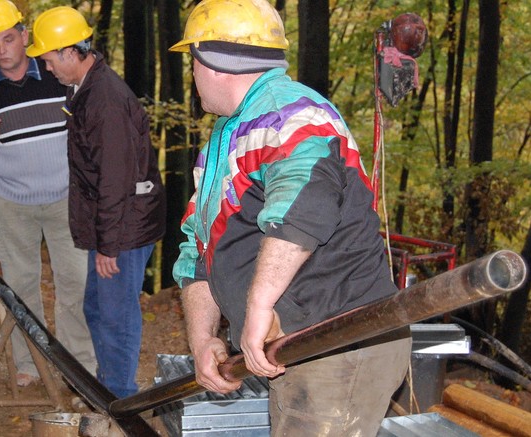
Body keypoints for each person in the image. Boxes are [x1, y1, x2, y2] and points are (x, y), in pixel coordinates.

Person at [169, 0, 411, 435]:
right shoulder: (226, 139)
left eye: (193, 60)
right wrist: (203, 338)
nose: (191, 73)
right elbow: (197, 249)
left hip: (339, 341)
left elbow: (302, 208)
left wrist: (259, 305)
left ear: (215, 60)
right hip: (296, 348)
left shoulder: (292, 114)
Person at [28, 6, 166, 398]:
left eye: (50, 59)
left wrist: (109, 245)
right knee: (96, 308)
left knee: (115, 317)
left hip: (125, 227)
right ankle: (110, 388)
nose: (47, 68)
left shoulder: (103, 99)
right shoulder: (85, 89)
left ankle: (120, 400)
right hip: (116, 225)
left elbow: (115, 180)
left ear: (72, 52)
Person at [0, 0, 96, 385]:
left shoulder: (58, 76)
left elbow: (87, 129)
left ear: (24, 36)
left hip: (65, 200)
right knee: (20, 288)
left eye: (9, 38)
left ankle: (80, 366)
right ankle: (29, 365)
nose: (2, 49)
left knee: (75, 283)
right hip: (11, 205)